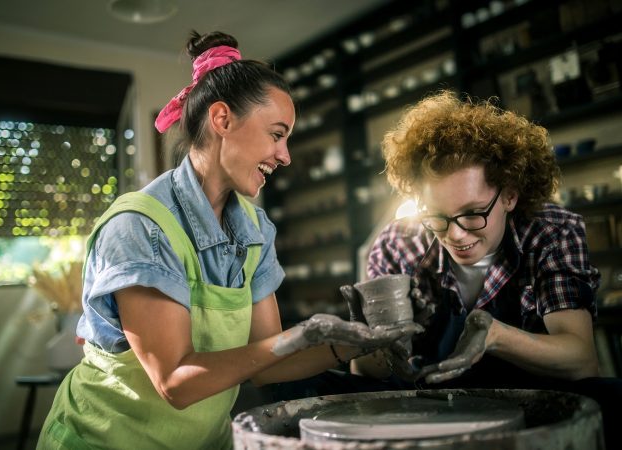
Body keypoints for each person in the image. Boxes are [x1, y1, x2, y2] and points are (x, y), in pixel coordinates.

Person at [36, 31, 420, 450]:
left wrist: (348, 343)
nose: (286, 155)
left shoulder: (254, 230)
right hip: (103, 440)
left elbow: (265, 365)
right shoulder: (140, 227)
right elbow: (175, 383)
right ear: (222, 120)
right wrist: (299, 334)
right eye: (277, 134)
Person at [352, 90, 621, 447]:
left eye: (473, 213)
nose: (456, 235)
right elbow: (364, 373)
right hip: (428, 410)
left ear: (509, 195)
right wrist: (369, 346)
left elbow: (581, 359)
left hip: (530, 404)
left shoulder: (551, 231)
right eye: (437, 217)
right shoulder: (396, 244)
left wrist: (495, 336)